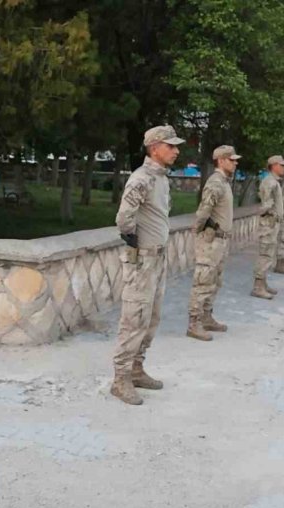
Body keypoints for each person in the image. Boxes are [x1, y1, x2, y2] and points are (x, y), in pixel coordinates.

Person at [111, 125, 184, 405]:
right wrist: (137, 247)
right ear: (155, 148)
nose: (176, 151)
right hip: (142, 260)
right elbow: (124, 220)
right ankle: (120, 378)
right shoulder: (141, 178)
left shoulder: (161, 179)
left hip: (158, 258)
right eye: (171, 146)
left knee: (151, 318)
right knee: (134, 319)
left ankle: (137, 369)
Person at [186, 145, 240, 341]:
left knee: (215, 281)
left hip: (221, 241)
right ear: (221, 160)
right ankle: (194, 323)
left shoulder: (225, 182)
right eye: (231, 159)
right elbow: (203, 211)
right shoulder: (216, 183)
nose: (235, 162)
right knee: (203, 282)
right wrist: (199, 233)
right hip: (211, 240)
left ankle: (206, 317)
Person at [251, 156, 284, 300]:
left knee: (269, 255)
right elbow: (266, 204)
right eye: (281, 165)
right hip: (269, 224)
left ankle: (263, 283)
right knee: (265, 255)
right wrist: (271, 213)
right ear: (274, 165)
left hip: (273, 223)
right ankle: (258, 286)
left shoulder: (274, 182)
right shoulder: (269, 182)